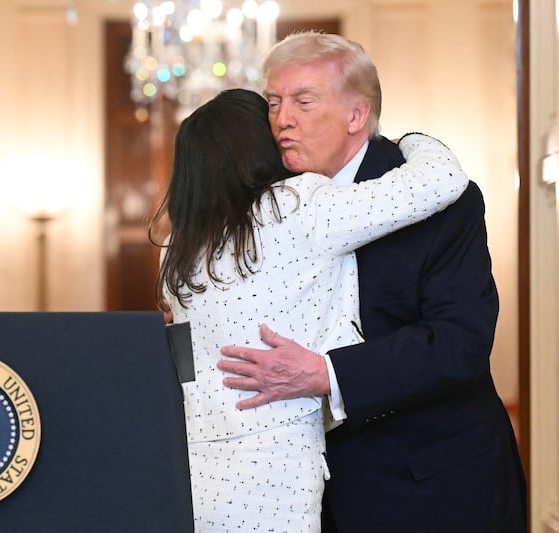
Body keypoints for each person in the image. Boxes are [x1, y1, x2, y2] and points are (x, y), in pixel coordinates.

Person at [218, 31, 527, 532]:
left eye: (303, 101)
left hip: (434, 491)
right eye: (273, 102)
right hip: (308, 498)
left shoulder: (441, 199)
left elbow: (459, 343)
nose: (282, 119)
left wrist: (328, 375)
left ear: (356, 116)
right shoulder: (264, 203)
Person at [151, 87, 469, 531]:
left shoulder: (178, 248)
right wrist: (411, 140)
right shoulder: (296, 207)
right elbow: (441, 181)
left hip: (191, 462)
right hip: (273, 466)